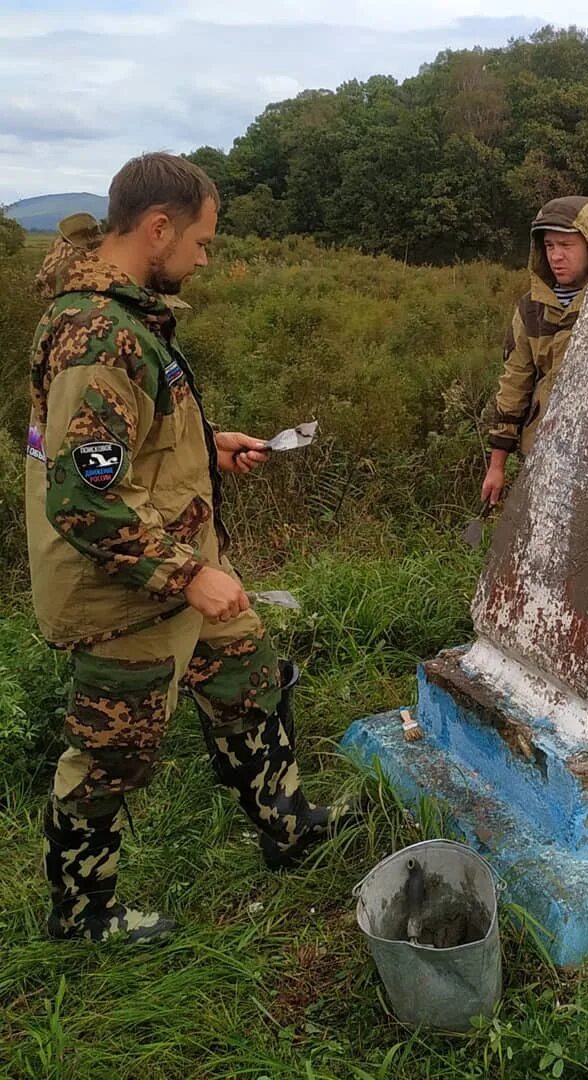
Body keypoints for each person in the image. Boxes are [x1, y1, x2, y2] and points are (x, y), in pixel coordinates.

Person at [26, 153, 355, 943]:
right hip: (126, 592)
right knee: (111, 754)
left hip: (176, 562)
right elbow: (83, 496)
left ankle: (287, 821)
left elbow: (126, 434)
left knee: (245, 675)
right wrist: (190, 575)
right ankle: (84, 912)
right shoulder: (98, 334)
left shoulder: (126, 315)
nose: (205, 259)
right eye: (201, 242)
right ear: (158, 227)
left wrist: (206, 444)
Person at [480, 195, 588, 505]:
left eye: (567, 246)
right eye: (550, 246)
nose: (556, 256)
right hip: (543, 454)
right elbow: (515, 382)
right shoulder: (531, 309)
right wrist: (497, 466)